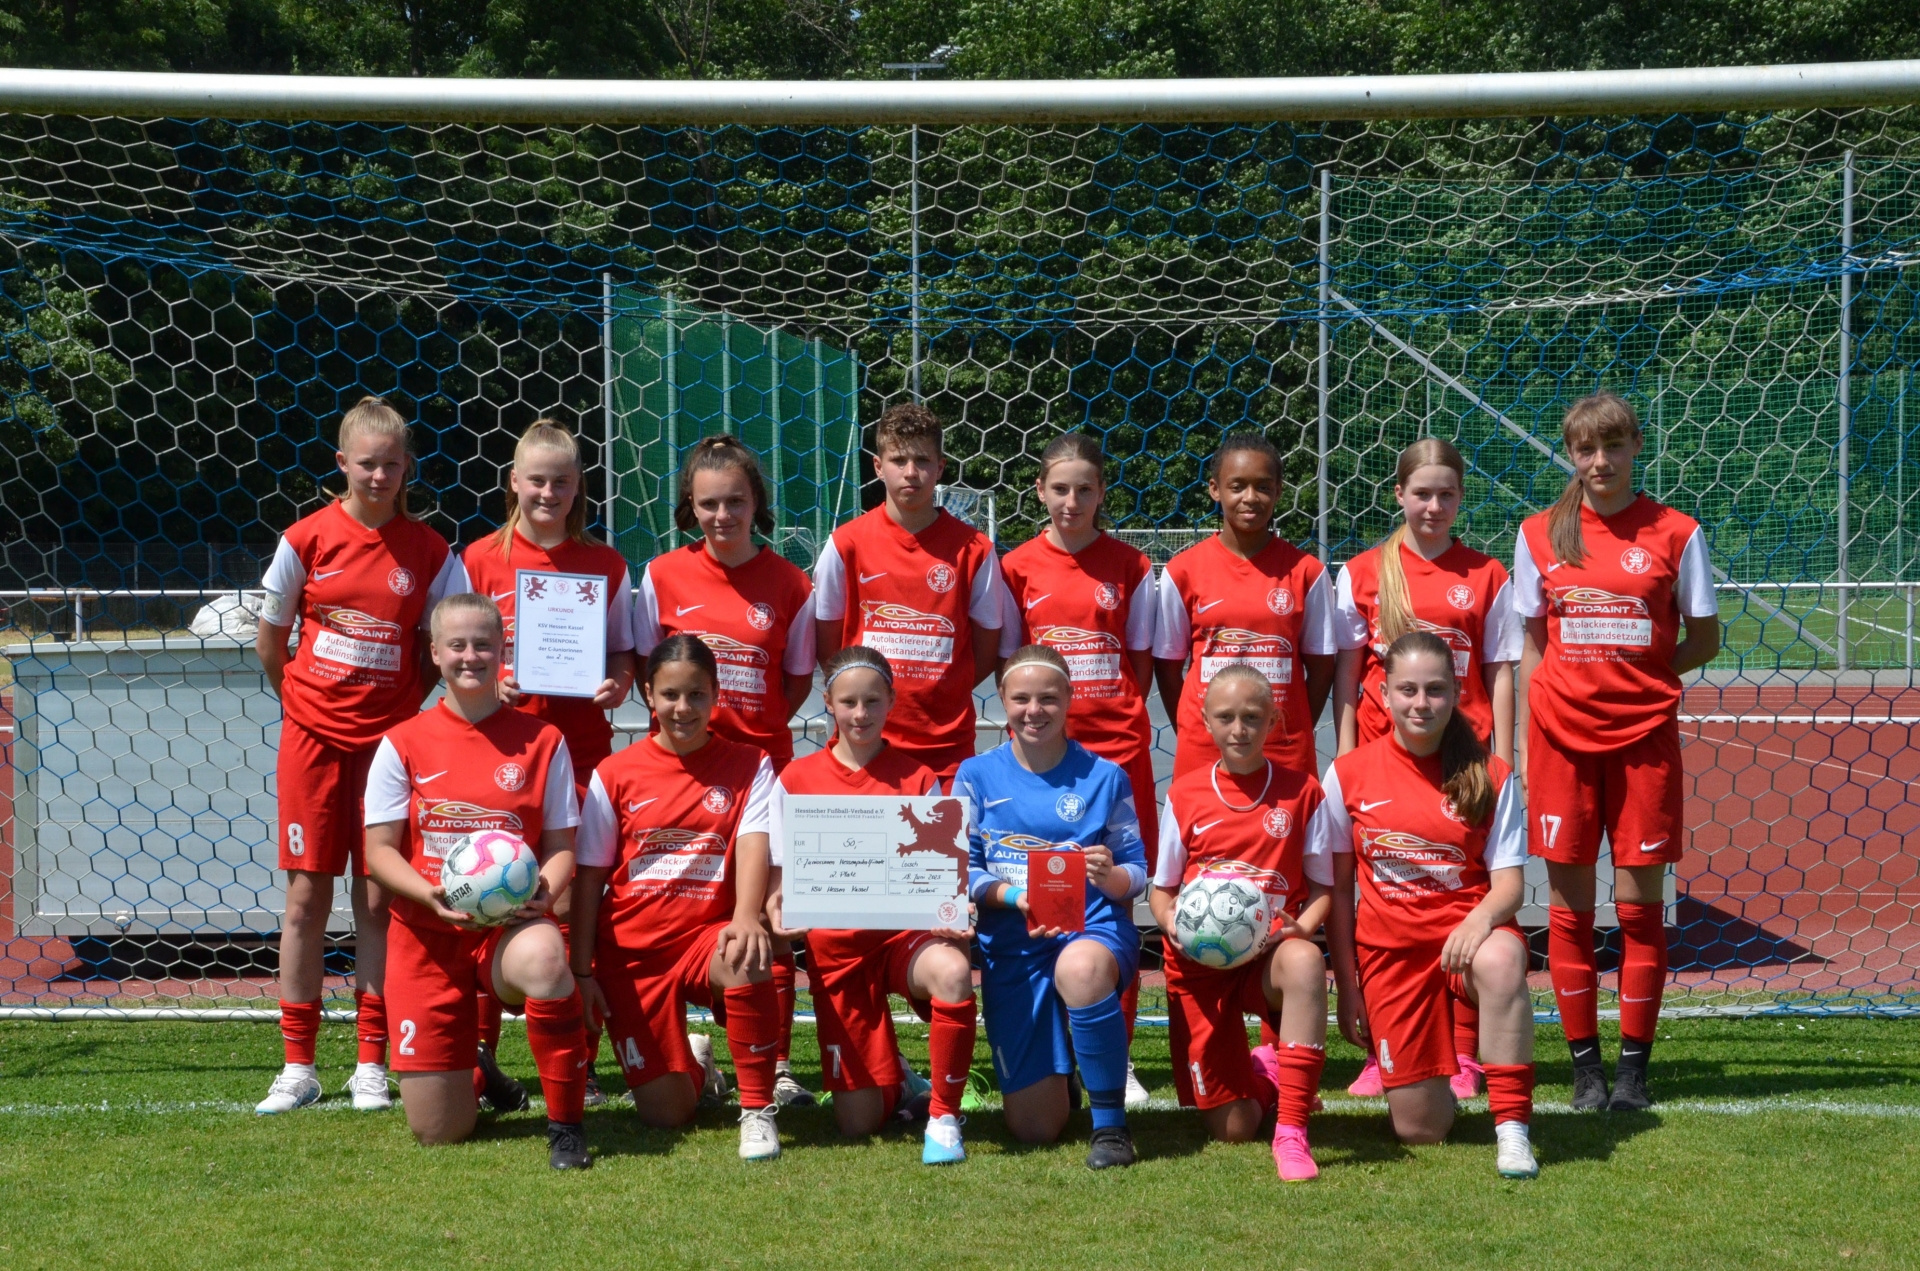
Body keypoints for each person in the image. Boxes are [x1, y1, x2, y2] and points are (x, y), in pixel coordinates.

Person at [253, 396, 467, 1115]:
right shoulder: (305, 539)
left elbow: (442, 648)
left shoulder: (432, 552)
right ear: (342, 463)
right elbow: (271, 640)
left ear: (408, 468)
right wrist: (303, 702)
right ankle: (298, 1064)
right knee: (306, 899)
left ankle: (370, 1061)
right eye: (366, 463)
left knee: (377, 899)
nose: (379, 476)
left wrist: (404, 705)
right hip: (311, 741)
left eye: (391, 464)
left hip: (387, 750)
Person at [1514, 391, 1719, 1112]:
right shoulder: (1539, 533)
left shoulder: (1677, 532)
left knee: (1639, 911)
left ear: (1636, 447)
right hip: (1560, 743)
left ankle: (1633, 1071)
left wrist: (1645, 677)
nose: (1600, 461)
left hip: (1644, 740)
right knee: (1569, 915)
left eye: (1613, 446)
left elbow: (1704, 637)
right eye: (1585, 449)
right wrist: (1532, 733)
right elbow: (1532, 640)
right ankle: (1585, 1071)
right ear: (1571, 454)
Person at [361, 593, 592, 1168]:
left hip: (506, 929)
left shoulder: (544, 741)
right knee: (438, 1132)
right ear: (435, 653)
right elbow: (378, 852)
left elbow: (562, 847)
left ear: (503, 650)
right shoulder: (402, 742)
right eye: (457, 645)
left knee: (546, 958)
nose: (471, 656)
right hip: (426, 935)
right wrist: (428, 894)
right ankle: (480, 1073)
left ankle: (566, 1128)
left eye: (483, 644)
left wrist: (543, 891)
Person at [1331, 437, 1520, 1101]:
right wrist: (1346, 753)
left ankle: (1464, 1048)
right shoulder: (1362, 572)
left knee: (1458, 891)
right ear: (1399, 495)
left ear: (1461, 498)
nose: (1434, 506)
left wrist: (1505, 756)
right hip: (1384, 761)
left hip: (1462, 761)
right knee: (1388, 896)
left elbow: (1500, 670)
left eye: (1446, 494)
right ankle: (1384, 1045)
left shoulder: (1488, 574)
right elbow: (1348, 677)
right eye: (1422, 493)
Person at [635, 435, 817, 1107]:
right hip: (681, 775)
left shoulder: (792, 584)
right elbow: (647, 671)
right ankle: (691, 1047)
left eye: (735, 502)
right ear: (690, 506)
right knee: (682, 907)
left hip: (761, 775)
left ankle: (779, 1064)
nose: (722, 516)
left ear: (756, 503)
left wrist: (748, 736)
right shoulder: (660, 575)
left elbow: (795, 679)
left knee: (771, 916)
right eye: (708, 503)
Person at [461, 418, 637, 1112]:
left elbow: (623, 650)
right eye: (536, 479)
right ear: (513, 482)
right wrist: (492, 682)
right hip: (498, 751)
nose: (548, 492)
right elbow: (454, 649)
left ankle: (577, 1062)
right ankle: (479, 1063)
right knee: (483, 893)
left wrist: (618, 682)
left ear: (577, 486)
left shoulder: (607, 564)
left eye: (561, 481)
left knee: (568, 902)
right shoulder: (478, 559)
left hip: (580, 752)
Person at [1320, 631, 1539, 1179]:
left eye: (1436, 690)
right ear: (1383, 695)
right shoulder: (1347, 775)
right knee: (1419, 1129)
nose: (1422, 703)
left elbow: (1510, 886)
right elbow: (1338, 892)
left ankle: (1513, 1130)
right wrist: (1348, 985)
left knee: (1502, 959)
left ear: (1457, 692)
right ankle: (1439, 1073)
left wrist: (1480, 919)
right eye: (1408, 690)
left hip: (1467, 944)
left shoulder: (1490, 774)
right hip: (1390, 955)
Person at [569, 635, 788, 1161]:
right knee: (666, 1114)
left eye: (696, 694)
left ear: (716, 694)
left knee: (745, 951)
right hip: (631, 954)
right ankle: (698, 1065)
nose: (682, 708)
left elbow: (754, 843)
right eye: (670, 695)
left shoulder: (751, 764)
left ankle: (757, 1110)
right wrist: (582, 971)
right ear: (648, 695)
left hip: (704, 938)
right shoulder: (614, 773)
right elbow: (589, 878)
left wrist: (745, 916)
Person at [998, 431, 1158, 1107]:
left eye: (1084, 489)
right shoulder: (1015, 566)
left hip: (1114, 754)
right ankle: (1050, 1049)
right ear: (1040, 490)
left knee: (1112, 895)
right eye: (1060, 488)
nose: (1072, 501)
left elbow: (1140, 660)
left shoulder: (1132, 565)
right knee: (1039, 894)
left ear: (1101, 493)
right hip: (1040, 758)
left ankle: (1116, 1054)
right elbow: (1014, 663)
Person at [771, 646, 979, 1164]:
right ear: (828, 703)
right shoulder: (795, 779)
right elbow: (779, 877)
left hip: (902, 939)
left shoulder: (919, 778)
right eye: (848, 703)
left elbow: (939, 874)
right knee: (857, 1123)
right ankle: (901, 1081)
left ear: (891, 701)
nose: (860, 714)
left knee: (953, 970)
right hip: (837, 951)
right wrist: (780, 907)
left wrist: (953, 912)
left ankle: (943, 1118)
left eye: (872, 701)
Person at [956, 645, 1148, 1170]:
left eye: (1048, 698)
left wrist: (1110, 877)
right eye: (1021, 698)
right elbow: (962, 869)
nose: (1034, 710)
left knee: (1080, 969)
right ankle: (1068, 1072)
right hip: (1014, 942)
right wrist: (1016, 897)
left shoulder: (1105, 775)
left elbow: (1137, 871)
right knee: (1034, 1128)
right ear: (1002, 699)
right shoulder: (974, 775)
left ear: (1069, 699)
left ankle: (1111, 1128)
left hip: (1091, 930)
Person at [1151, 665, 1332, 1182]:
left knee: (1305, 961)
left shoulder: (1303, 792)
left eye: (1252, 717)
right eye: (1226, 717)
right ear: (1205, 721)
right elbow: (1162, 891)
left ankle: (1292, 1132)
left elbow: (1324, 889)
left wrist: (1302, 928)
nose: (1239, 729)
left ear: (1273, 721)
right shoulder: (1184, 794)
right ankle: (1270, 1072)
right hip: (1200, 965)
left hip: (1268, 955)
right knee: (1234, 1128)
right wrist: (1173, 924)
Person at [813, 403, 1005, 789]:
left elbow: (985, 647)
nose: (911, 472)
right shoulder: (846, 544)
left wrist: (945, 686)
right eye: (899, 460)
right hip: (864, 745)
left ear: (941, 467)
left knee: (942, 831)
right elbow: (828, 644)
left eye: (922, 460)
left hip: (946, 749)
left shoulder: (975, 550)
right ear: (878, 466)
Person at [1154, 433, 1336, 780]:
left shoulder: (1307, 572)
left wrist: (1291, 729)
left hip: (1284, 750)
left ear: (1279, 492)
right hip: (1205, 749)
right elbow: (1167, 666)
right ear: (1215, 489)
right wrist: (1195, 730)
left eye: (1263, 487)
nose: (1250, 498)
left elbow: (1322, 667)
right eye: (1237, 486)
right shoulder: (1183, 571)